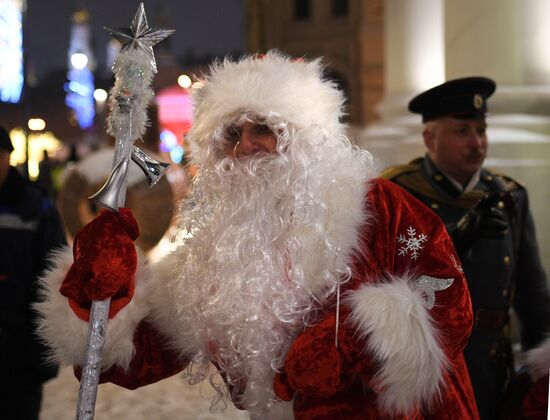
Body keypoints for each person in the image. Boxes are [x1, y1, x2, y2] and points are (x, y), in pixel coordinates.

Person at [36, 51, 478, 419]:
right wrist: (103, 293)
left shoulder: (376, 207)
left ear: (304, 139)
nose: (246, 145)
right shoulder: (212, 251)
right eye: (232, 133)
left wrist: (352, 340)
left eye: (264, 128)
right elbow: (132, 359)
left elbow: (448, 301)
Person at [381, 77, 550, 419]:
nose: (476, 143)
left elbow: (531, 290)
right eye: (461, 131)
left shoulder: (508, 196)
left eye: (481, 130)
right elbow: (385, 285)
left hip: (492, 366)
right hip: (428, 368)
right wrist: (455, 239)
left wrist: (540, 367)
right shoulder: (399, 195)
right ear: (430, 138)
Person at [0, 125, 67, 419]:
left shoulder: (35, 206)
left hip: (18, 354)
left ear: (7, 157)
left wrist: (41, 354)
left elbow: (54, 280)